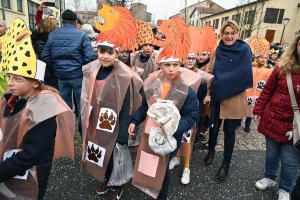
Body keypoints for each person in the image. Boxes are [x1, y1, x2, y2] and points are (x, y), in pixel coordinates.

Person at [0, 18, 75, 200]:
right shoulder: (9, 100)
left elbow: (31, 154)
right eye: (9, 77)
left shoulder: (43, 107)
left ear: (35, 82)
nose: (10, 83)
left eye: (18, 79)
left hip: (30, 173)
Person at [129, 17, 201, 200]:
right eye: (167, 64)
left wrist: (175, 127)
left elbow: (192, 114)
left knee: (163, 166)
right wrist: (135, 120)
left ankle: (163, 194)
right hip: (150, 131)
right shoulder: (152, 84)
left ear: (180, 65)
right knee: (149, 160)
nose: (171, 69)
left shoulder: (185, 89)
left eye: (175, 65)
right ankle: (150, 186)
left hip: (170, 135)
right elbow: (145, 105)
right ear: (159, 64)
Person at [80, 4, 142, 200]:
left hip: (114, 126)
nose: (105, 56)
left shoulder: (123, 76)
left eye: (110, 52)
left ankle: (117, 184)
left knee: (115, 155)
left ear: (117, 53)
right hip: (96, 123)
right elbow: (85, 97)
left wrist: (123, 132)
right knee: (99, 152)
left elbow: (126, 107)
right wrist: (84, 122)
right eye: (102, 51)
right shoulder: (91, 70)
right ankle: (105, 177)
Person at [204, 20, 253, 181]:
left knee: (229, 131)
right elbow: (210, 70)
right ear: (221, 35)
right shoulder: (217, 50)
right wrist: (209, 90)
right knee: (214, 128)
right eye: (226, 33)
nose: (229, 36)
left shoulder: (244, 49)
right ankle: (211, 151)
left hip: (235, 97)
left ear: (238, 34)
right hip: (217, 96)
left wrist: (223, 83)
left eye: (232, 33)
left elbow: (244, 73)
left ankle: (226, 163)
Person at [253, 35, 300, 200]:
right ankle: (269, 177)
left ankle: (285, 188)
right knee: (272, 154)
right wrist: (258, 110)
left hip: (296, 125)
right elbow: (268, 90)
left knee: (290, 161)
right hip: (274, 118)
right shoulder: (282, 67)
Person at [168, 26, 214, 185]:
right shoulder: (175, 71)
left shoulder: (200, 76)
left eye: (192, 58)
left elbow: (200, 96)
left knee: (187, 140)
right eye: (187, 57)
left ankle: (186, 167)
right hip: (176, 112)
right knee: (176, 137)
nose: (190, 60)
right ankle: (175, 157)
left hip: (191, 113)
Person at [42, 9, 94, 137]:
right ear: (76, 22)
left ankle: (66, 134)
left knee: (64, 106)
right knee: (82, 105)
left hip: (61, 76)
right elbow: (89, 57)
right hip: (78, 76)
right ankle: (83, 134)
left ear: (62, 21)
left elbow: (45, 56)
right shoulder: (82, 36)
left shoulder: (53, 35)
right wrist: (80, 68)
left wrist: (56, 67)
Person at [128, 20, 160, 147]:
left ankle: (150, 139)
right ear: (141, 45)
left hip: (152, 90)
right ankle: (133, 137)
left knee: (151, 115)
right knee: (135, 112)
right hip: (137, 90)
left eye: (151, 45)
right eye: (145, 45)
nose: (148, 47)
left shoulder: (157, 57)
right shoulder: (133, 57)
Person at [244, 36, 272, 132]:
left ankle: (247, 124)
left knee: (252, 109)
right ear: (256, 57)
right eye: (261, 57)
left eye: (265, 58)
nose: (263, 59)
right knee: (244, 106)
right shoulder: (250, 66)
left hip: (258, 94)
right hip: (248, 91)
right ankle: (238, 121)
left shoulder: (268, 68)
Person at [31, 18, 58, 89]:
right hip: (48, 73)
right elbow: (44, 57)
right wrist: (56, 66)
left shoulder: (44, 39)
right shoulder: (39, 40)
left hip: (49, 72)